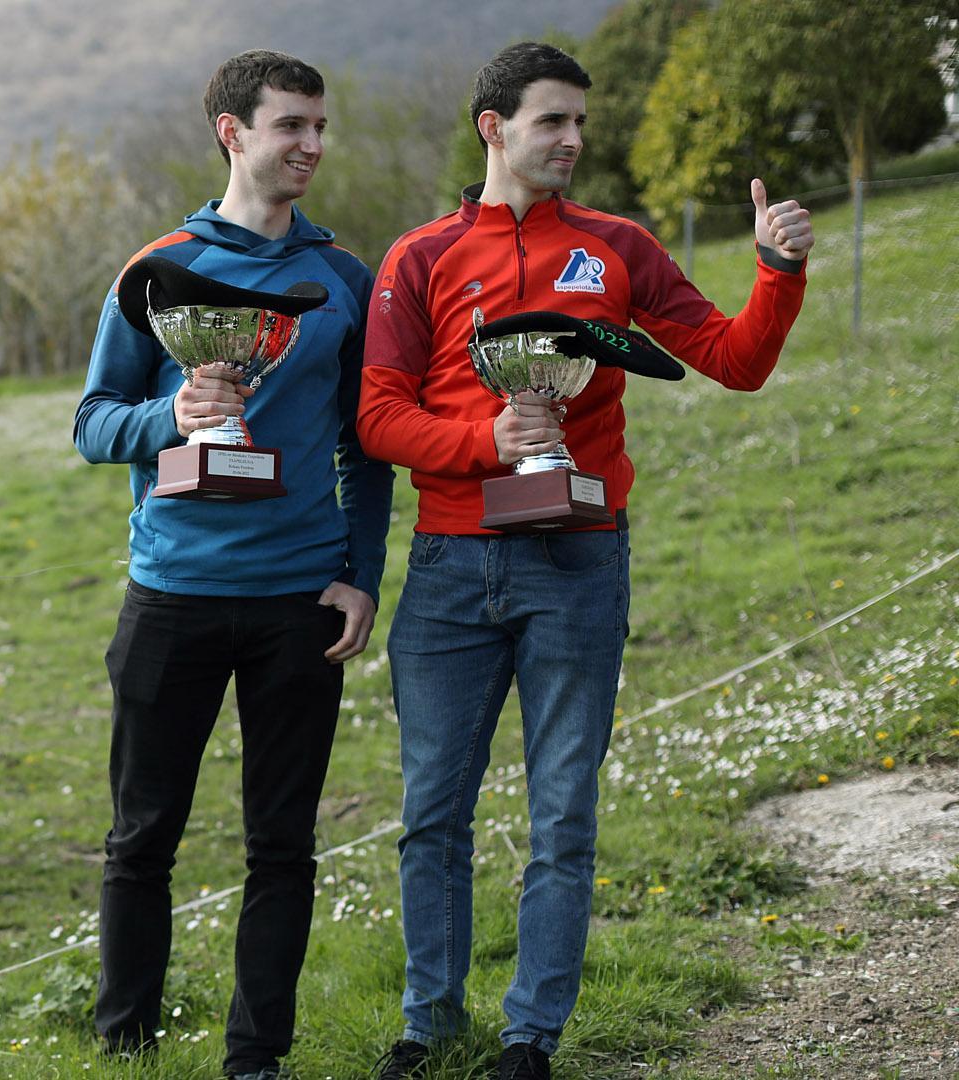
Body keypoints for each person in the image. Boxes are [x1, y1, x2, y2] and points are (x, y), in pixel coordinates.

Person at [357, 42, 813, 1080]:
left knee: (562, 811)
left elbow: (734, 362)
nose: (571, 140)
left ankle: (532, 1038)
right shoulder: (419, 257)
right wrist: (487, 443)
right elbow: (377, 417)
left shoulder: (617, 247)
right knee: (432, 816)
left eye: (579, 123)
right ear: (494, 127)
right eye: (551, 121)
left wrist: (776, 272)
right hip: (450, 568)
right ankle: (428, 1026)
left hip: (580, 562)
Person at [73, 49, 394, 1080]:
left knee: (283, 848)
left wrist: (362, 574)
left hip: (299, 603)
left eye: (320, 127)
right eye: (291, 125)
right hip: (170, 596)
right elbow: (90, 424)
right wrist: (173, 415)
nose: (311, 145)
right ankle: (124, 1044)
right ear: (233, 132)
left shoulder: (344, 280)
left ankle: (257, 1059)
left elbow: (368, 448)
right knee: (141, 841)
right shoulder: (154, 271)